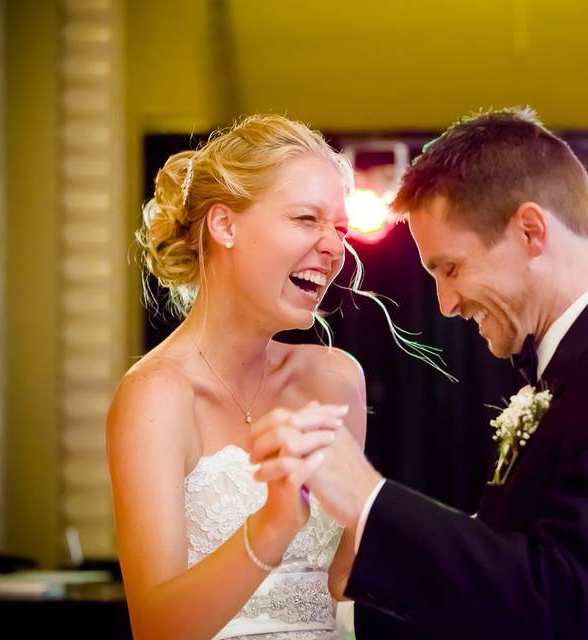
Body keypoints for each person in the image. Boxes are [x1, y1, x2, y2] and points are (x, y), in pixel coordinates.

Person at [253, 107, 588, 639]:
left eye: (450, 269)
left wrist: (368, 496)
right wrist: (345, 619)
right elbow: (509, 598)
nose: (447, 303)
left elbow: (571, 607)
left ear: (530, 231)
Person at [107, 114, 367, 640]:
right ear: (224, 225)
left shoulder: (336, 380)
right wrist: (271, 526)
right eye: (305, 219)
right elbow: (157, 629)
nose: (334, 248)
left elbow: (342, 584)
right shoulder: (155, 396)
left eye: (338, 228)